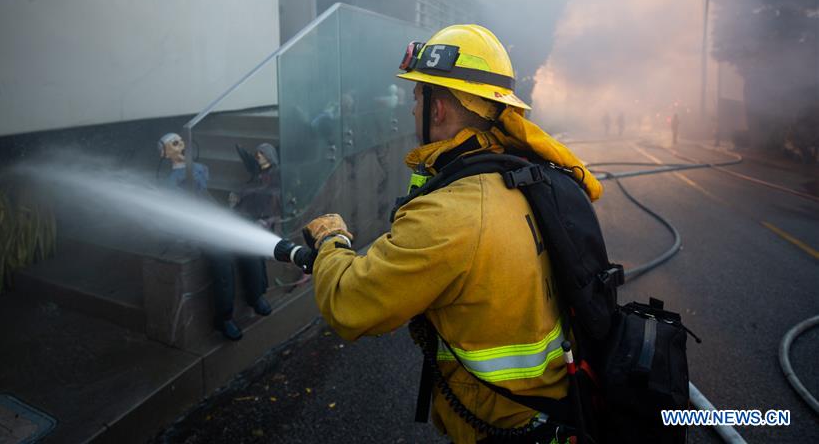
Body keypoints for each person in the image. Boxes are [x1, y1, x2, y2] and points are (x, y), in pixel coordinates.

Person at [302, 25, 603, 443]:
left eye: (417, 97)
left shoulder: (451, 214)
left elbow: (348, 304)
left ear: (438, 109)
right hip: (553, 410)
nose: (411, 110)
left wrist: (330, 240)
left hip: (502, 428)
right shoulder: (521, 173)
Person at [157, 133, 271, 341]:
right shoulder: (170, 181)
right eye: (174, 143)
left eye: (181, 140)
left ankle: (256, 294)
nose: (181, 144)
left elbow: (202, 188)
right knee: (221, 258)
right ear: (164, 153)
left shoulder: (197, 169)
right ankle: (224, 317)